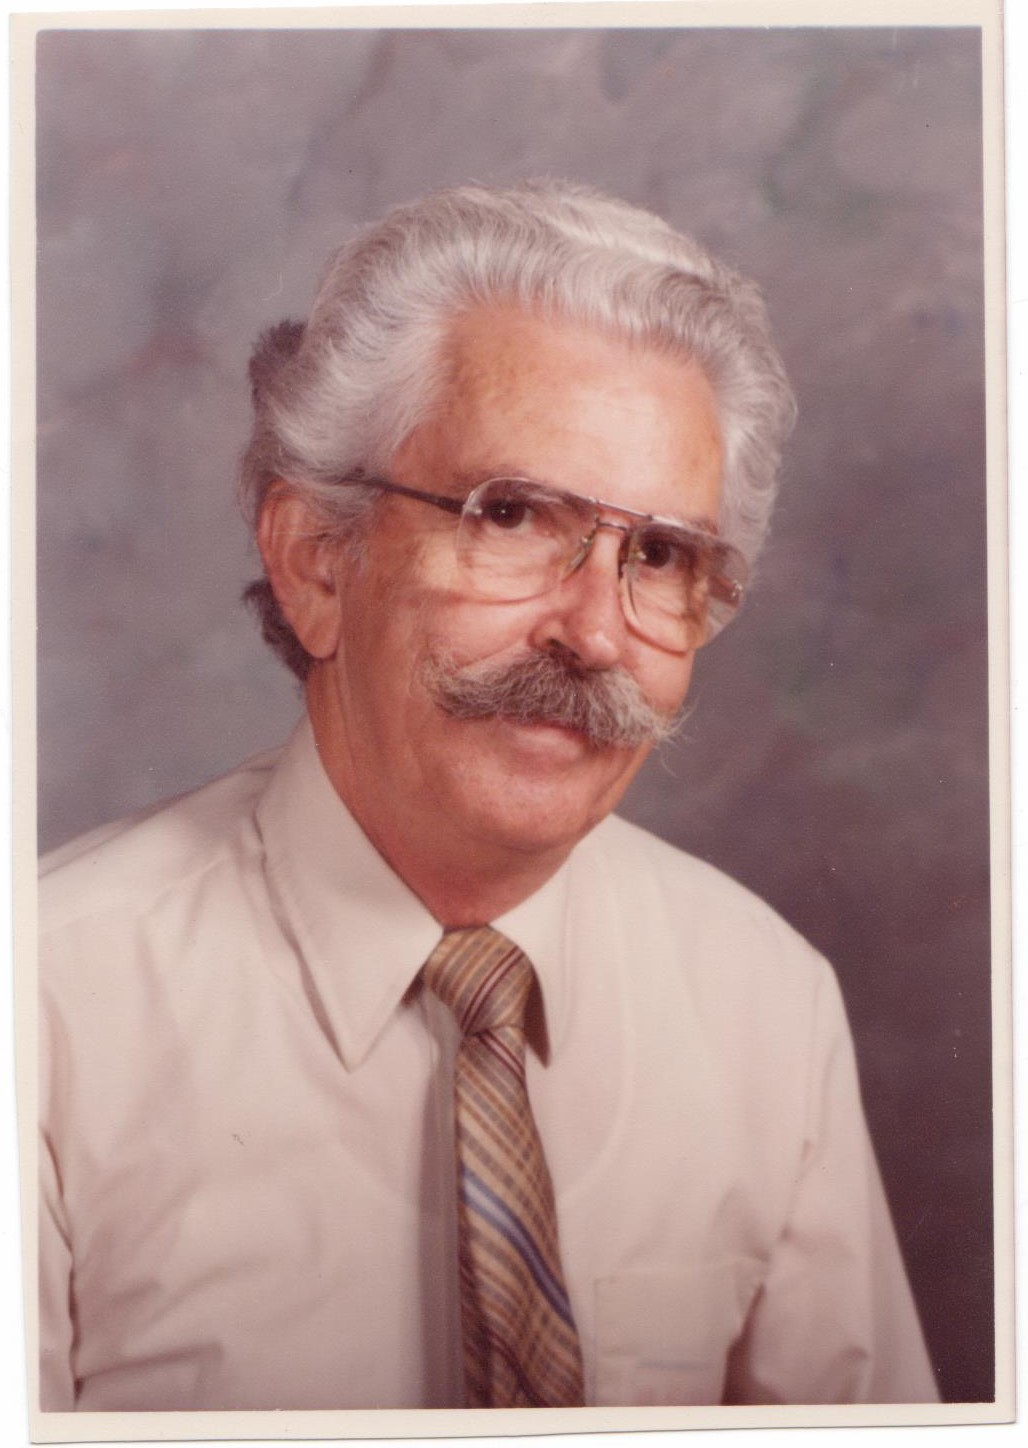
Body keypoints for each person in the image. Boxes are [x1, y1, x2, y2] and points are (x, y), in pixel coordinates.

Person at [38, 180, 939, 1413]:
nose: (593, 632)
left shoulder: (768, 1004)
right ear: (315, 561)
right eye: (508, 515)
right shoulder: (43, 1009)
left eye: (659, 555)